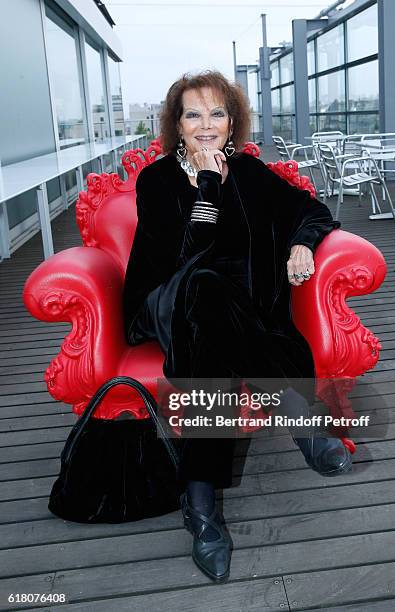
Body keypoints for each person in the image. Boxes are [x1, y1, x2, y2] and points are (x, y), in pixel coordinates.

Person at [122, 70, 352, 584]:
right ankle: (298, 415)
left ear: (232, 123)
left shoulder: (249, 173)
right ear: (177, 126)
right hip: (167, 302)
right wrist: (206, 181)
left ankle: (201, 507)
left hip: (228, 319)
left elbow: (310, 210)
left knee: (212, 333)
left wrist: (300, 243)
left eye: (217, 113)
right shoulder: (156, 181)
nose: (207, 125)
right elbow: (186, 253)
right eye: (193, 114)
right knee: (203, 284)